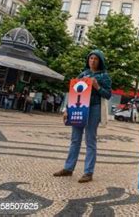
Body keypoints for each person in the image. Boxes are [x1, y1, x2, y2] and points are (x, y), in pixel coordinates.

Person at [53, 49, 112, 183]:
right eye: (91, 58)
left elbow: (108, 95)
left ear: (100, 61)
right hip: (79, 107)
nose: (92, 61)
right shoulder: (83, 74)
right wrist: (67, 109)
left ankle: (88, 172)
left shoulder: (104, 76)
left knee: (90, 140)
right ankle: (68, 168)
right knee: (75, 139)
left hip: (94, 108)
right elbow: (74, 92)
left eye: (96, 59)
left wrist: (97, 87)